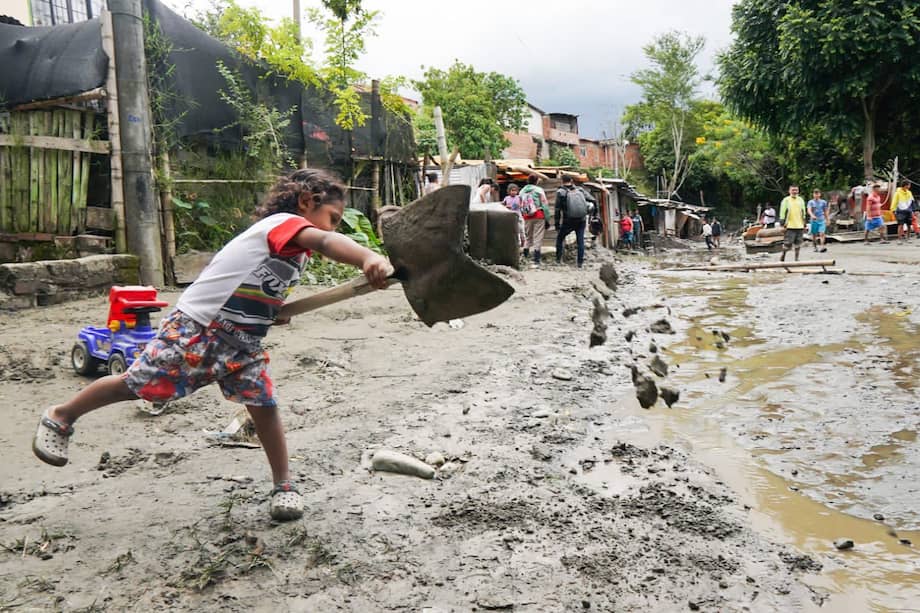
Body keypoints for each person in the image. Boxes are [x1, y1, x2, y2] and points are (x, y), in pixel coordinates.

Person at [31, 169, 391, 522]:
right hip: (197, 330)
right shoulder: (284, 225)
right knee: (136, 385)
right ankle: (61, 416)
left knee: (265, 404)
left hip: (244, 344)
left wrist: (271, 311)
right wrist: (367, 257)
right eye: (333, 217)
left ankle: (283, 485)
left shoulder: (293, 249)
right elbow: (327, 242)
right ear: (307, 201)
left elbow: (261, 288)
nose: (333, 228)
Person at [554, 176, 595, 267]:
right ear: (571, 181)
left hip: (568, 220)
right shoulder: (580, 190)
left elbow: (557, 210)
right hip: (581, 219)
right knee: (580, 240)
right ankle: (580, 263)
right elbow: (592, 200)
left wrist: (557, 224)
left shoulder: (560, 192)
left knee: (560, 239)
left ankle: (558, 260)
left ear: (562, 181)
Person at [520, 174, 549, 264]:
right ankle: (536, 259)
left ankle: (525, 257)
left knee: (528, 236)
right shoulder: (539, 190)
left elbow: (520, 204)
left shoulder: (522, 191)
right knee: (538, 237)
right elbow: (544, 204)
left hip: (527, 216)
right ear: (536, 181)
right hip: (538, 215)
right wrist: (547, 218)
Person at [779, 185, 806, 262]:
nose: (794, 192)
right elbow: (782, 212)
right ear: (789, 191)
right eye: (793, 190)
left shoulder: (800, 200)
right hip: (789, 225)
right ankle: (783, 255)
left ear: (798, 191)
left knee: (798, 243)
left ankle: (796, 259)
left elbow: (803, 212)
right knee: (788, 243)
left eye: (796, 190)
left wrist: (804, 223)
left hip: (799, 225)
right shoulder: (786, 200)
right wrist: (782, 224)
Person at [502, 183, 525, 247]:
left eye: (515, 190)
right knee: (514, 230)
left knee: (521, 229)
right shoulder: (506, 198)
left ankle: (523, 242)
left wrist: (520, 206)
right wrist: (506, 207)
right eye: (512, 190)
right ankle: (517, 243)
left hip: (519, 215)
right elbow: (502, 205)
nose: (514, 192)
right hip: (510, 217)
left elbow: (522, 205)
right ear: (509, 191)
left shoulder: (519, 197)